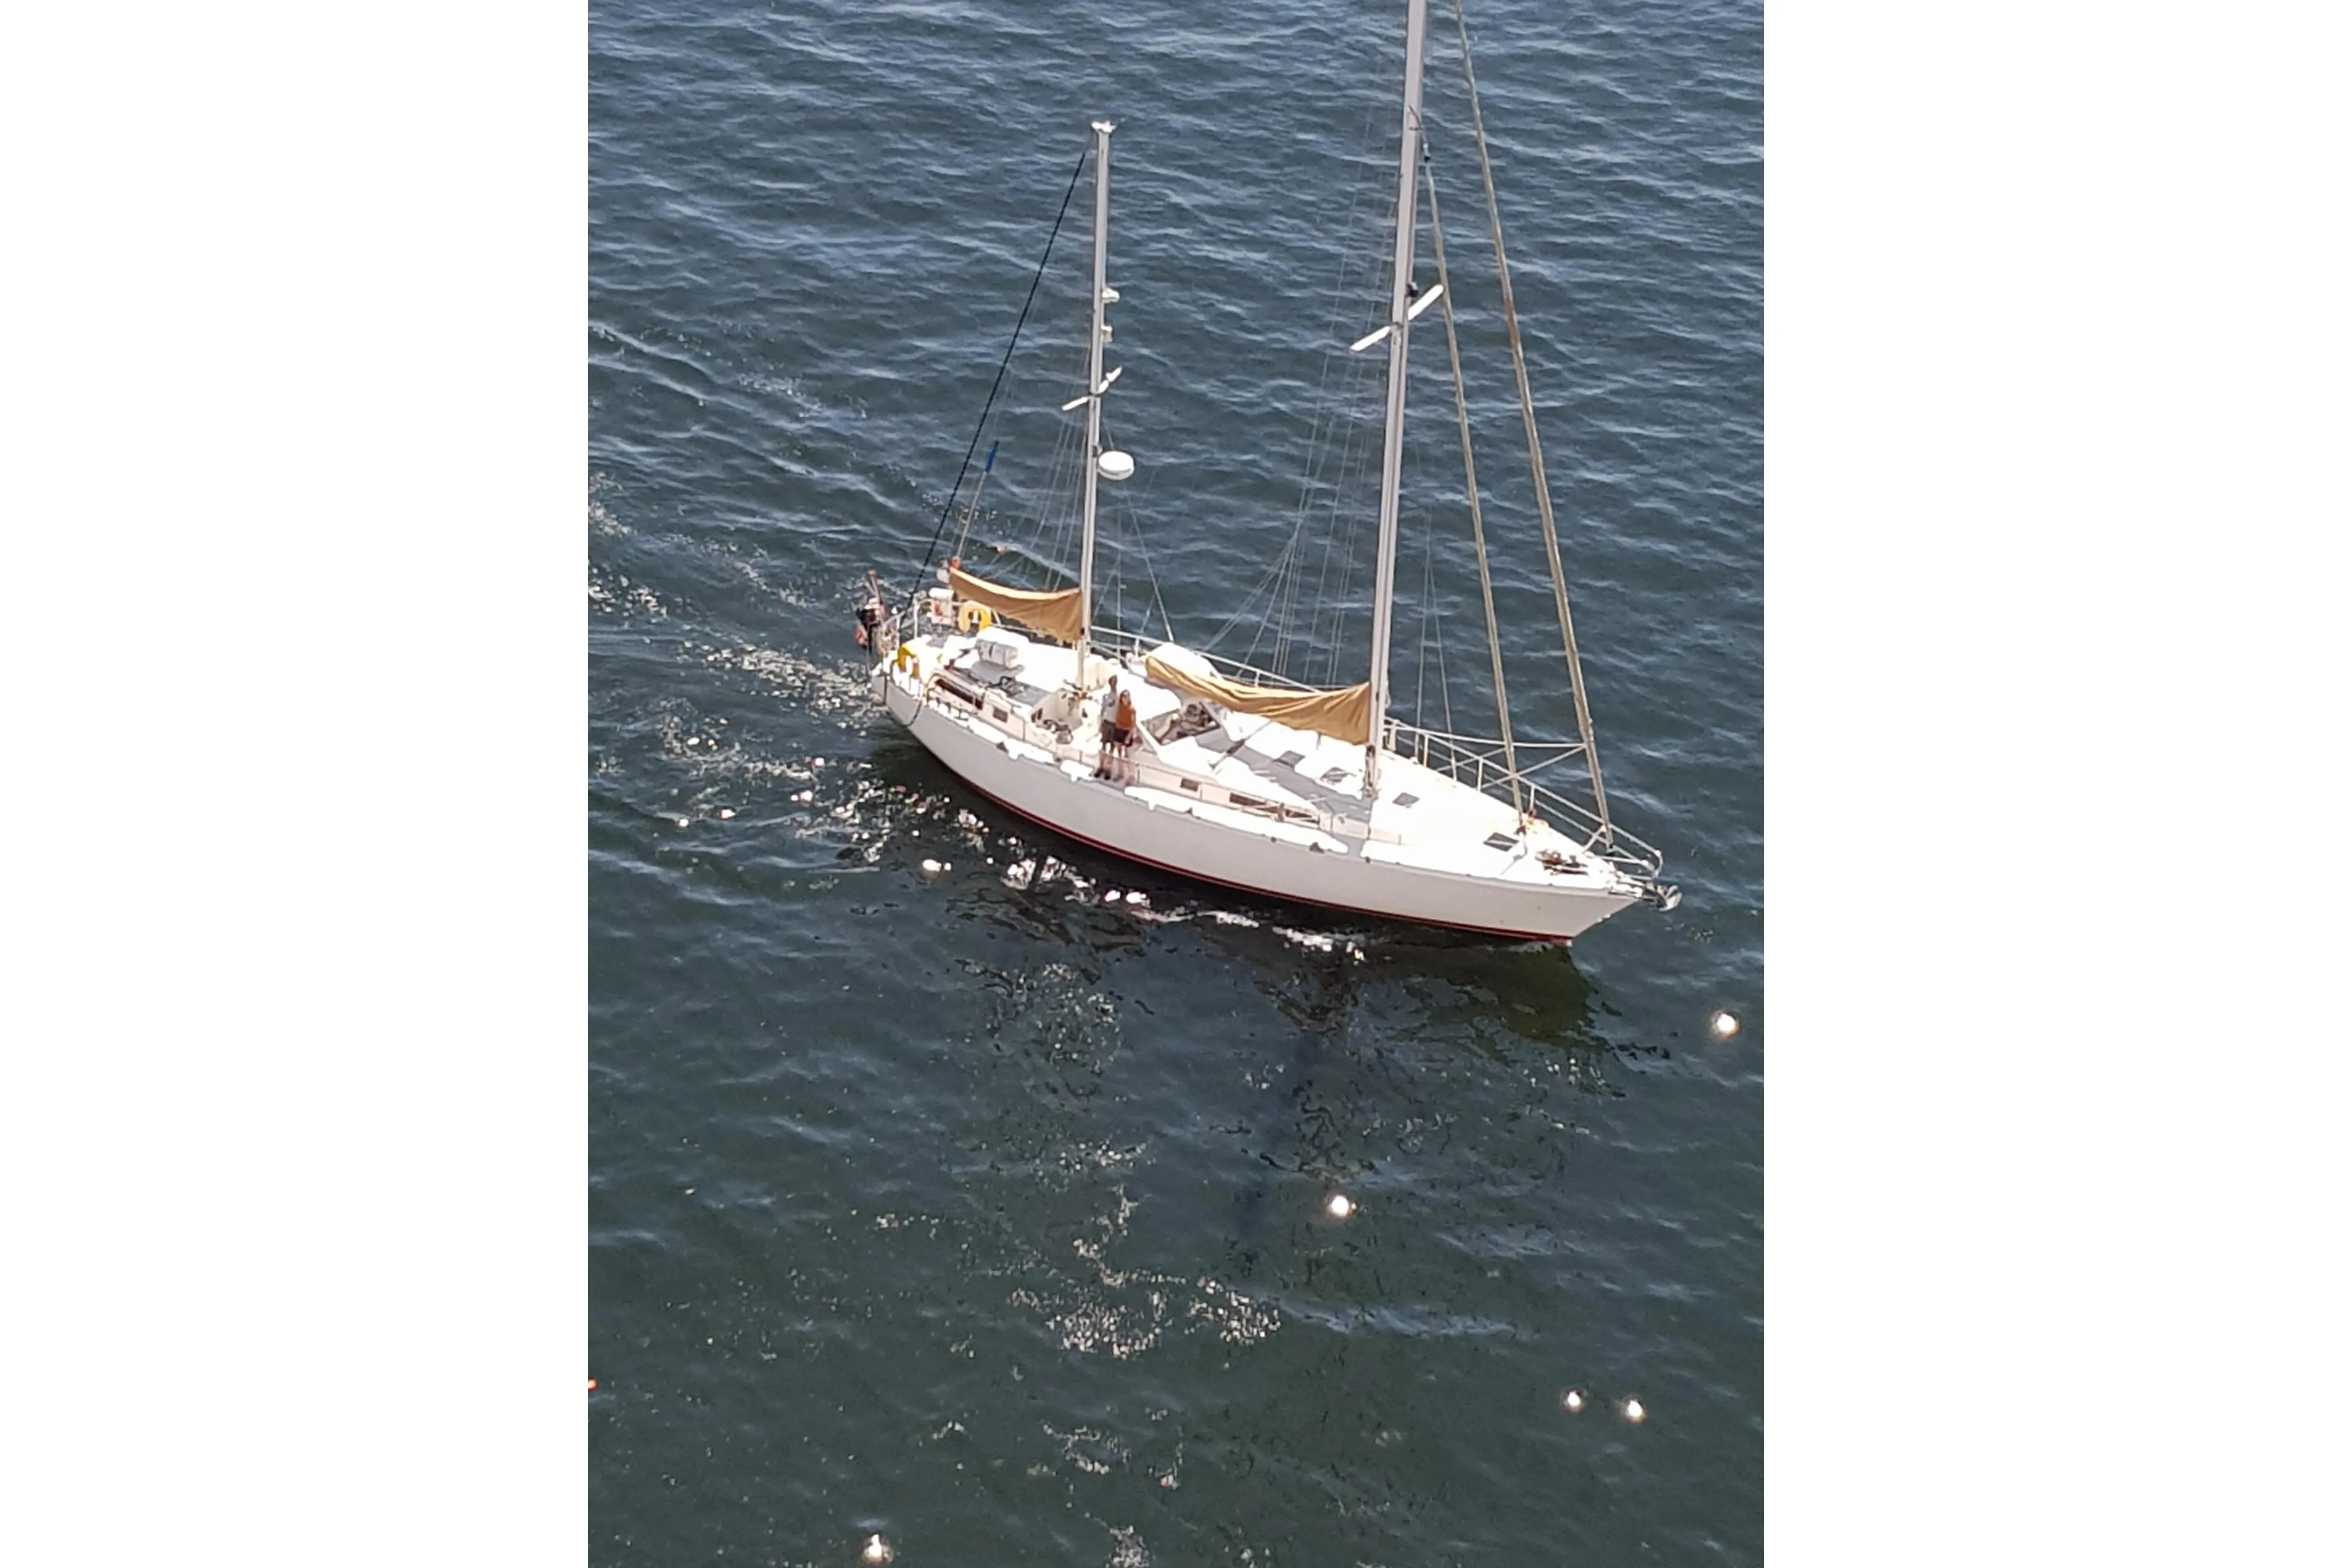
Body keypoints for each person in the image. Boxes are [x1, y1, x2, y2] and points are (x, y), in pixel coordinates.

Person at [1093, 677, 1121, 779]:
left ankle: (1108, 768)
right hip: (1106, 722)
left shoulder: (1119, 698)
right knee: (1103, 746)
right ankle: (1101, 766)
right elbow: (1103, 710)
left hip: (1115, 724)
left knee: (1112, 748)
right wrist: (1101, 724)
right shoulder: (1105, 696)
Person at [1110, 686, 1138, 783]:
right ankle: (1120, 773)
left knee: (1128, 757)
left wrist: (1129, 736)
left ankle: (1131, 776)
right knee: (1119, 755)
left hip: (1127, 732)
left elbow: (1133, 725)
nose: (1124, 699)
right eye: (1123, 697)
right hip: (1118, 730)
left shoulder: (1132, 710)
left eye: (1126, 697)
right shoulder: (1119, 707)